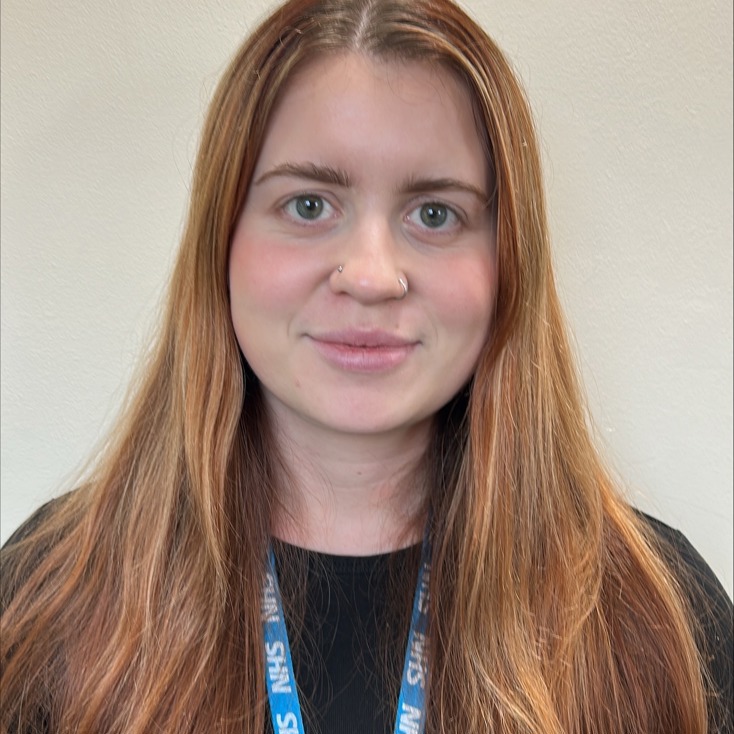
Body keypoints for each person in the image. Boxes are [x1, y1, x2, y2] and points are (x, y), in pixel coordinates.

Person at [1, 0, 731, 732]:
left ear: (508, 260)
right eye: (308, 204)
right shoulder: (49, 599)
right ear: (222, 238)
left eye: (435, 213)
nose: (372, 276)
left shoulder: (655, 617)